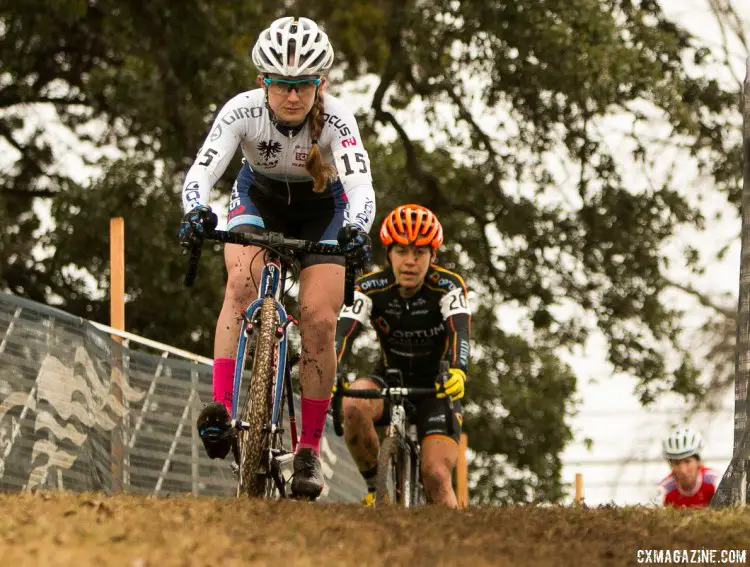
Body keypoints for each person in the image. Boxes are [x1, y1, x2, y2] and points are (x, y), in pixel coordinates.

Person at [178, 16, 375, 500]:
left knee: (319, 319)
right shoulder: (242, 111)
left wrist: (357, 229)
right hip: (259, 200)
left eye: (303, 85)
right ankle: (221, 411)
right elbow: (203, 170)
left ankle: (308, 449)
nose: (292, 96)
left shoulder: (337, 119)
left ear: (320, 83)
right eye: (283, 85)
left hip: (322, 211)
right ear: (264, 81)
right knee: (241, 287)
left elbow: (360, 185)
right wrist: (195, 211)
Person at [335, 204, 471, 507]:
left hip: (436, 388)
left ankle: (455, 546)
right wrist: (330, 370)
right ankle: (374, 487)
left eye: (419, 253)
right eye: (401, 252)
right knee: (353, 401)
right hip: (389, 379)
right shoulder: (369, 287)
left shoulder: (448, 286)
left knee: (435, 475)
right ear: (389, 254)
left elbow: (459, 330)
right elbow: (341, 332)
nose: (410, 262)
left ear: (432, 257)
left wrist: (460, 369)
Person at [658, 426, 718, 508]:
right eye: (676, 463)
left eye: (687, 461)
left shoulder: (715, 481)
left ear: (698, 462)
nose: (683, 470)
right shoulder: (664, 488)